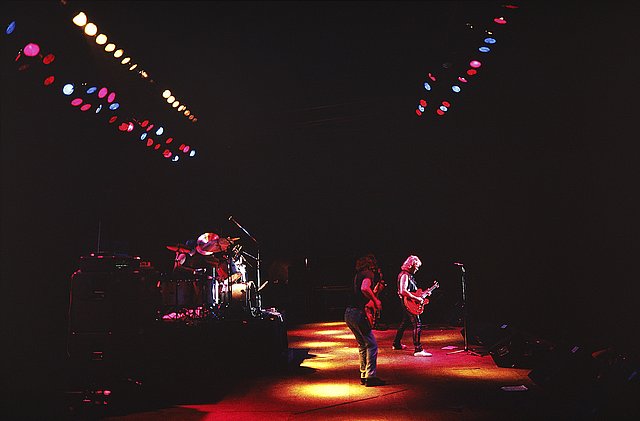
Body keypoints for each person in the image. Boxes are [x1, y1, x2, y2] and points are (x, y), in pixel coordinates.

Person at [344, 254, 386, 387]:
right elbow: (364, 288)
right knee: (372, 345)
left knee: (362, 345)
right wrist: (376, 300)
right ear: (371, 264)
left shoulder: (358, 275)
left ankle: (364, 374)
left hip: (349, 313)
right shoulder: (368, 274)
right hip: (358, 313)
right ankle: (371, 377)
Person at [392, 255, 432, 357]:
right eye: (416, 267)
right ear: (411, 266)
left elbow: (412, 292)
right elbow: (403, 291)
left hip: (407, 302)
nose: (417, 269)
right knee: (417, 324)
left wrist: (423, 293)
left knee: (405, 322)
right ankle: (418, 349)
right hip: (408, 303)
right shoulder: (405, 275)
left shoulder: (407, 275)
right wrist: (417, 299)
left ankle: (396, 344)